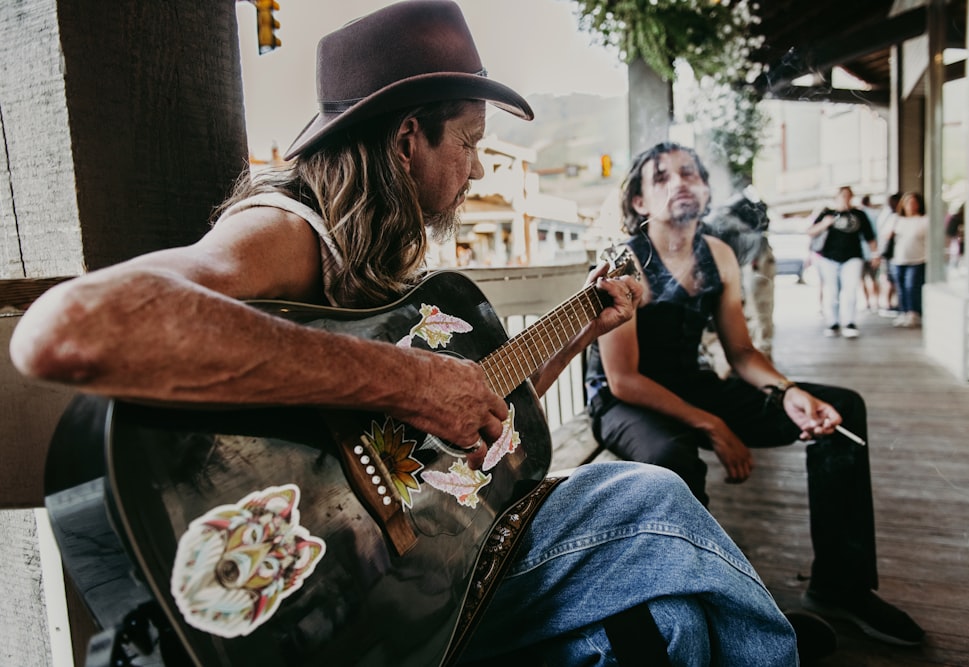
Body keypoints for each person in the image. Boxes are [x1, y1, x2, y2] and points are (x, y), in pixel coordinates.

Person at [9, 2, 815, 664]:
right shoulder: (287, 228)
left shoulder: (380, 255)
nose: (473, 169)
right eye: (466, 143)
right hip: (353, 592)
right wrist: (412, 381)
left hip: (431, 562)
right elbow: (68, 328)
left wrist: (575, 330)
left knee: (669, 626)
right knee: (650, 500)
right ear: (406, 141)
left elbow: (463, 423)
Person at [584, 141, 925, 648]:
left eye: (690, 173)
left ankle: (840, 586)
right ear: (639, 202)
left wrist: (788, 392)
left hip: (692, 384)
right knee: (673, 456)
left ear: (705, 189)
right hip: (626, 401)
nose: (680, 182)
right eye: (661, 177)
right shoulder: (623, 259)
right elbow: (624, 379)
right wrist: (713, 425)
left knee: (840, 410)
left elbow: (741, 353)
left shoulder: (716, 253)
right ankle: (710, 612)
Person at [807, 186, 878, 338]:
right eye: (842, 195)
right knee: (832, 291)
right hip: (828, 258)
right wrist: (825, 223)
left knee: (851, 290)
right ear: (836, 197)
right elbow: (811, 232)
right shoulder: (827, 214)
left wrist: (875, 254)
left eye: (848, 196)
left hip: (853, 257)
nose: (845, 198)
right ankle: (833, 322)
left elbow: (869, 236)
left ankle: (850, 322)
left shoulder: (859, 215)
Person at [887, 191, 929, 328]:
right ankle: (903, 312)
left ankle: (913, 313)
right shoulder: (897, 219)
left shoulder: (924, 220)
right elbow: (886, 236)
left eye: (914, 202)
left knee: (912, 286)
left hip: (918, 258)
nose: (911, 205)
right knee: (901, 287)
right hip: (899, 259)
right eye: (908, 202)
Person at [875, 192, 901, 315]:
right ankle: (889, 304)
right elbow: (886, 235)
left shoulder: (886, 215)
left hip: (889, 253)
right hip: (891, 253)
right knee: (891, 280)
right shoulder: (893, 216)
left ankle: (890, 303)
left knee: (891, 279)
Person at [858, 195, 881, 312]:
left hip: (860, 251)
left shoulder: (859, 214)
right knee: (873, 278)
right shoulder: (875, 214)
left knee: (862, 279)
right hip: (872, 249)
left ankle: (867, 302)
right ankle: (876, 302)